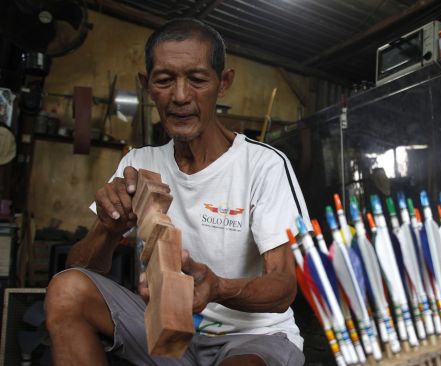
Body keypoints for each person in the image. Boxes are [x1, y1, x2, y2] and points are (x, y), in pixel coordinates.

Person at [44, 18, 310, 366]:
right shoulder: (138, 164)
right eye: (165, 80)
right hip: (165, 330)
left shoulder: (263, 165)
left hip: (251, 336)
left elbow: (284, 288)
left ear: (223, 82)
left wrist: (216, 288)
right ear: (147, 85)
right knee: (66, 292)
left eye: (197, 79)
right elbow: (78, 268)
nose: (180, 96)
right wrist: (108, 228)